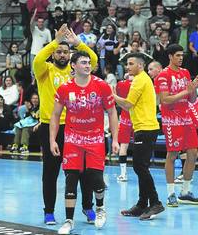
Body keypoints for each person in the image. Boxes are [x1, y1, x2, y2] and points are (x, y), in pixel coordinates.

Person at [33, 24, 98, 225]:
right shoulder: (45, 71)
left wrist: (78, 43)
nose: (62, 55)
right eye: (58, 52)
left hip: (75, 127)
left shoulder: (77, 72)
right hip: (50, 127)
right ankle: (49, 211)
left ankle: (88, 207)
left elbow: (93, 61)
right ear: (53, 54)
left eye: (65, 52)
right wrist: (54, 42)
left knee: (82, 171)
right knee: (50, 172)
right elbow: (37, 59)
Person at [50, 51, 119, 234]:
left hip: (95, 138)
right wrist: (52, 140)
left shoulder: (101, 86)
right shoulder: (65, 88)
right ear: (73, 65)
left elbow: (112, 112)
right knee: (71, 179)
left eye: (89, 62)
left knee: (95, 178)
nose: (87, 65)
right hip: (73, 138)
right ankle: (69, 221)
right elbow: (55, 115)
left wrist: (115, 139)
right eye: (83, 62)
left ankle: (100, 208)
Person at [113, 52, 164, 220]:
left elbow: (127, 104)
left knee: (139, 167)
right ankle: (142, 204)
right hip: (144, 128)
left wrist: (110, 95)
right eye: (127, 64)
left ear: (140, 65)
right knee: (141, 166)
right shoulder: (141, 79)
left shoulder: (140, 80)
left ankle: (155, 203)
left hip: (146, 128)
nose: (127, 67)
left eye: (130, 63)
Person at [155, 44, 198, 207]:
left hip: (186, 119)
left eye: (182, 55)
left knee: (193, 153)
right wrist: (185, 91)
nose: (181, 58)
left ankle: (185, 192)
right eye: (177, 55)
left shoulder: (185, 73)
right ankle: (170, 194)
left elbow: (191, 99)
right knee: (173, 154)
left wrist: (195, 89)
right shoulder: (163, 75)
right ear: (170, 56)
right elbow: (165, 99)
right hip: (172, 121)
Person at [115, 73, 134, 181]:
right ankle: (143, 170)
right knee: (140, 146)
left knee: (124, 145)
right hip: (137, 117)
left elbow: (117, 97)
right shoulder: (140, 83)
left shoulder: (121, 84)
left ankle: (123, 174)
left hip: (125, 117)